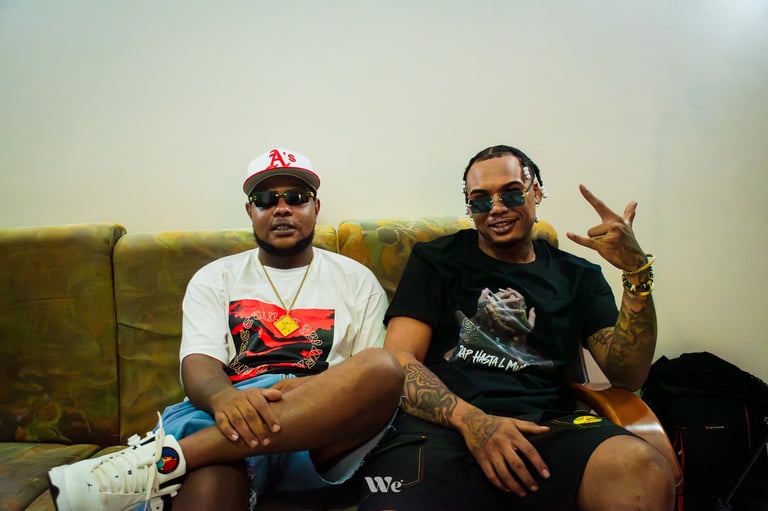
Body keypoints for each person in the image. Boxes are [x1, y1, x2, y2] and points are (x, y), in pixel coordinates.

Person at [48, 148, 403, 511]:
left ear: (316, 206)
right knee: (212, 483)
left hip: (317, 429)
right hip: (229, 417)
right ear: (250, 211)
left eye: (296, 198)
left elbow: (365, 380)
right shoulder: (216, 278)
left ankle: (155, 466)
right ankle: (180, 461)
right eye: (266, 200)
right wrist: (225, 399)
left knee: (383, 368)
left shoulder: (356, 280)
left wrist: (302, 391)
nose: (282, 209)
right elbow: (198, 362)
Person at [358, 145, 675, 510]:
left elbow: (628, 374)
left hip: (548, 428)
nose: (496, 208)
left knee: (643, 469)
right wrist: (474, 423)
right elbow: (399, 360)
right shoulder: (436, 260)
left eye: (511, 193)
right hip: (445, 429)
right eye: (480, 200)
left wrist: (636, 272)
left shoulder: (578, 276)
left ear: (535, 192)